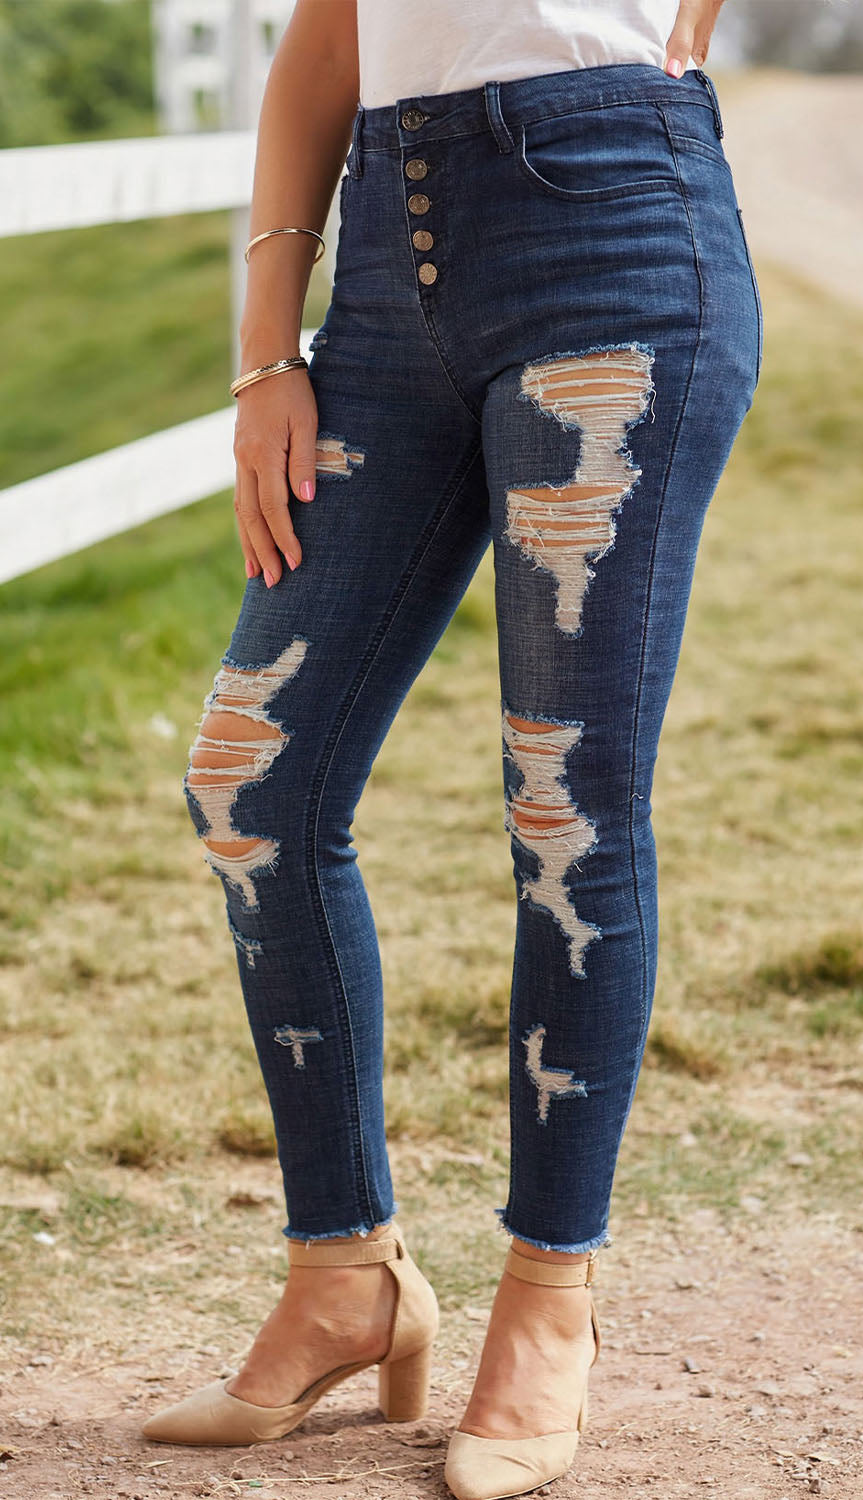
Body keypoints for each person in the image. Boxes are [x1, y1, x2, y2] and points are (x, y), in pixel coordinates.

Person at [141, 1, 760, 1495]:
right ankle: (345, 1276)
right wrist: (264, 355)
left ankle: (549, 1300)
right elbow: (325, 42)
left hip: (610, 231)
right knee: (249, 779)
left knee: (565, 798)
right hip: (385, 268)